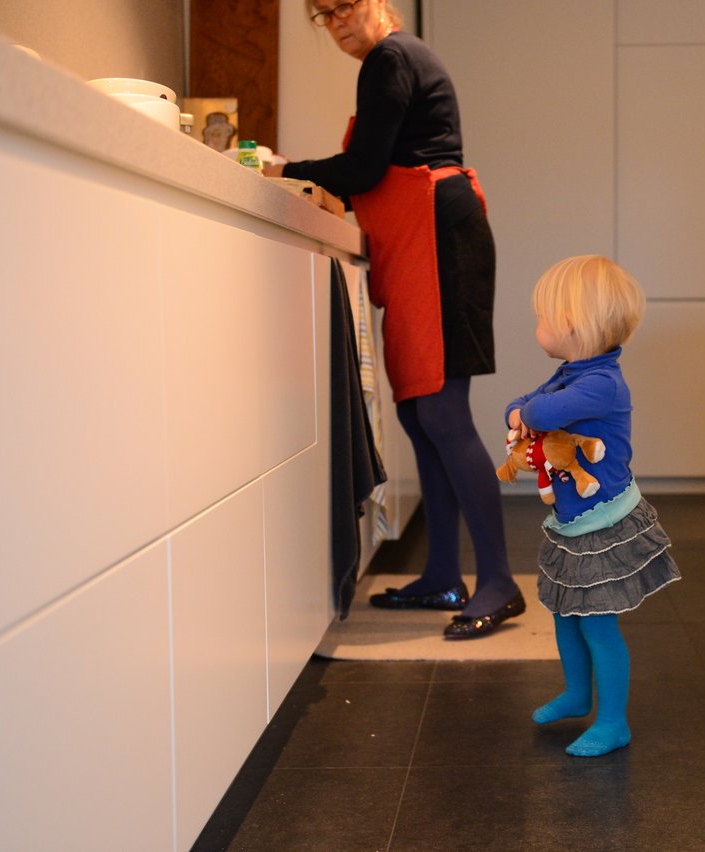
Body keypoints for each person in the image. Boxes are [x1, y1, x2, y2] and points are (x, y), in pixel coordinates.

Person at [263, 0, 521, 638]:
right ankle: (441, 574)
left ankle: (498, 581)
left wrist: (282, 170)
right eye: (323, 16)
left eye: (343, 6)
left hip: (440, 241)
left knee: (441, 411)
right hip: (423, 242)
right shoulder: (396, 61)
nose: (338, 24)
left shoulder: (392, 57)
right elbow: (372, 171)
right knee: (417, 411)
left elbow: (364, 169)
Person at [505, 255, 681, 757]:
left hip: (605, 524)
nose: (537, 325)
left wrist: (524, 411)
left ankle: (612, 721)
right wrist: (521, 409)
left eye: (543, 318)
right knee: (565, 613)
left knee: (598, 622)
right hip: (575, 522)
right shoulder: (570, 372)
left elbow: (536, 409)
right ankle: (578, 694)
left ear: (574, 326)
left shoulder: (600, 383)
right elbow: (521, 403)